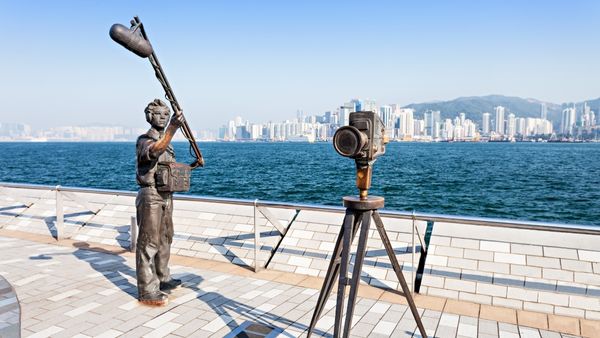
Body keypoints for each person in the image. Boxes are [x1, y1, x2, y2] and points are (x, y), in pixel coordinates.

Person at [135, 99, 184, 306]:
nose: (164, 117)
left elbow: (168, 168)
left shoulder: (167, 142)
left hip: (166, 195)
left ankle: (163, 278)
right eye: (159, 114)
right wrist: (173, 127)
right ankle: (147, 289)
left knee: (165, 238)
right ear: (149, 117)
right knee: (149, 242)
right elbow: (154, 151)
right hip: (151, 196)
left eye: (166, 114)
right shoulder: (145, 140)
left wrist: (192, 165)